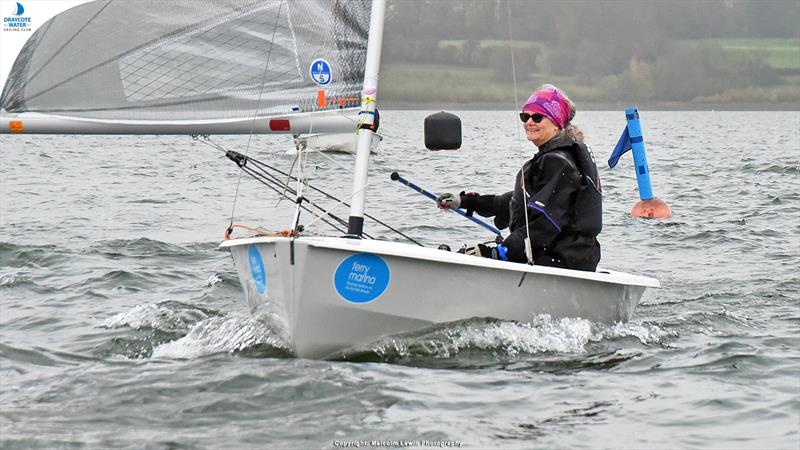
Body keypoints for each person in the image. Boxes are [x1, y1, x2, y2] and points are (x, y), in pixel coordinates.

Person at [436, 85, 602, 271]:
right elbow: (516, 203)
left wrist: (496, 253)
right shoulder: (555, 158)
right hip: (561, 259)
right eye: (525, 116)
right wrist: (465, 201)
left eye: (537, 117)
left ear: (556, 122)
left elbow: (546, 224)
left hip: (560, 264)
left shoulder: (557, 163)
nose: (529, 122)